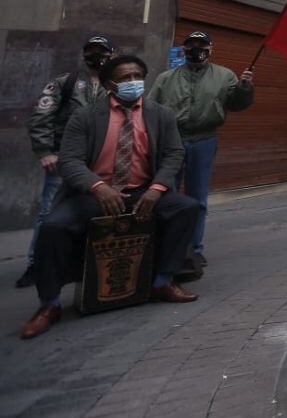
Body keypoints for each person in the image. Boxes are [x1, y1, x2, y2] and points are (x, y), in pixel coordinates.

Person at [20, 55, 200, 340]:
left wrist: (157, 188)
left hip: (142, 190)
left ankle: (163, 281)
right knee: (54, 227)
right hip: (95, 192)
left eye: (137, 76)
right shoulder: (86, 116)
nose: (133, 82)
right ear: (109, 85)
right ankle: (49, 304)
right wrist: (97, 187)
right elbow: (70, 160)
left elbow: (174, 153)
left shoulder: (160, 114)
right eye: (125, 78)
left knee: (186, 208)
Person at [146, 31, 254, 273]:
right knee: (166, 194)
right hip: (171, 142)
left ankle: (194, 248)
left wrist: (245, 88)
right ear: (184, 49)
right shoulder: (166, 78)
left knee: (198, 198)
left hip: (204, 140)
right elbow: (150, 110)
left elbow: (237, 104)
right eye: (192, 45)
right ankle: (165, 246)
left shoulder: (224, 76)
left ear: (210, 49)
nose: (197, 49)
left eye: (202, 45)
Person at [18, 35, 115, 289]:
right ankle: (36, 264)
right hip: (64, 158)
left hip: (100, 161)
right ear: (84, 54)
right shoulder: (66, 82)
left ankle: (80, 262)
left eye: (102, 51)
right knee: (50, 211)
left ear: (111, 55)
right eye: (91, 51)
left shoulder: (114, 85)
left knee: (93, 211)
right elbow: (41, 116)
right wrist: (45, 151)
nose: (96, 56)